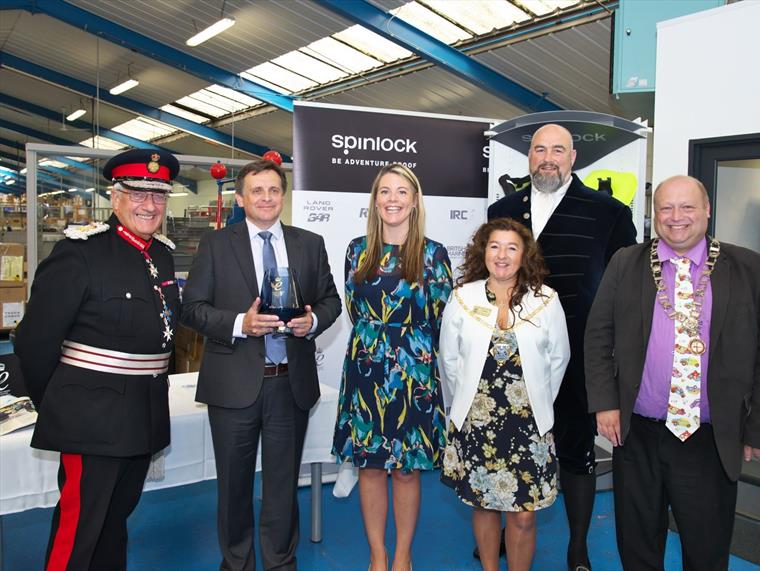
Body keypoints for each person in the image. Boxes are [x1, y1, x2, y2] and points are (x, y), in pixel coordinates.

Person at [584, 175, 760, 570]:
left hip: (708, 439)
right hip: (637, 433)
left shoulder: (752, 269)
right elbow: (597, 336)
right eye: (666, 208)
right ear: (655, 214)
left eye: (687, 207)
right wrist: (604, 403)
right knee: (637, 544)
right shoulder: (626, 263)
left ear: (707, 210)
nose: (676, 217)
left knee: (706, 548)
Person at [14, 148, 181, 570]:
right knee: (79, 529)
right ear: (115, 196)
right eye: (137, 193)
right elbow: (34, 342)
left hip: (143, 414)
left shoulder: (160, 253)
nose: (149, 205)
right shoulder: (80, 252)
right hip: (90, 418)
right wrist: (61, 405)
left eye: (159, 195)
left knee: (114, 522)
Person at [487, 123, 636, 570]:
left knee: (575, 448)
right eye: (538, 150)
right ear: (528, 157)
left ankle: (577, 548)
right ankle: (498, 537)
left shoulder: (608, 211)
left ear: (573, 158)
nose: (547, 158)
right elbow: (486, 274)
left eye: (557, 150)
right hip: (509, 356)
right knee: (504, 445)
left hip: (578, 355)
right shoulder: (504, 208)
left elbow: (623, 287)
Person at [181, 159, 341, 571]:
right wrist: (240, 323)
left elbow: (330, 301)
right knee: (233, 486)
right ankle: (236, 564)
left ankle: (280, 563)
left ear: (283, 196)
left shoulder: (309, 242)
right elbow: (192, 309)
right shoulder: (216, 245)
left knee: (283, 485)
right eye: (257, 191)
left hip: (289, 383)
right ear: (240, 198)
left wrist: (313, 321)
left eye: (273, 190)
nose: (266, 198)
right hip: (233, 384)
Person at [331, 163, 452, 571]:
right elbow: (354, 309)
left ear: (415, 201)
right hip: (366, 369)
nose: (393, 199)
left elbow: (442, 318)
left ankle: (402, 555)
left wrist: (410, 352)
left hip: (414, 372)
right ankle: (377, 556)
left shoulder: (433, 254)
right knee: (370, 468)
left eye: (402, 192)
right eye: (385, 191)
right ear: (375, 200)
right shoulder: (355, 249)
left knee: (406, 471)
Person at [439, 218, 570, 571]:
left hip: (529, 425)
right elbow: (449, 360)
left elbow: (559, 359)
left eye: (512, 247)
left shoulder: (545, 300)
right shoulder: (462, 298)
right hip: (477, 421)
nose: (502, 255)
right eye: (494, 246)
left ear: (524, 254)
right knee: (484, 504)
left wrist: (537, 400)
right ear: (483, 251)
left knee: (524, 516)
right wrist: (467, 405)